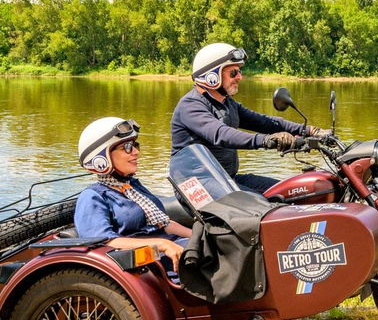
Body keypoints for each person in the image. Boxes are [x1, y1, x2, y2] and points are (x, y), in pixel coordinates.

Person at [170, 43, 328, 194]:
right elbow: (221, 134)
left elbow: (263, 122)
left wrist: (309, 130)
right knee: (264, 210)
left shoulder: (227, 103)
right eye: (233, 72)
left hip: (226, 179)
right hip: (199, 186)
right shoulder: (191, 105)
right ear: (212, 75)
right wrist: (267, 140)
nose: (240, 77)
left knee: (291, 192)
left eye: (239, 71)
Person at [75, 117, 191, 273]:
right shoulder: (93, 196)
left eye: (135, 145)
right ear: (101, 158)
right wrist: (162, 244)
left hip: (168, 249)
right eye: (127, 147)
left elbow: (164, 224)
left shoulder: (133, 187)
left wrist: (199, 235)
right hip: (145, 262)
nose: (136, 152)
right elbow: (104, 241)